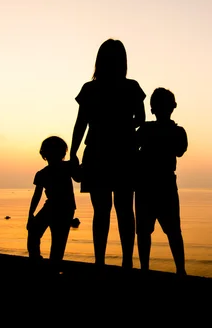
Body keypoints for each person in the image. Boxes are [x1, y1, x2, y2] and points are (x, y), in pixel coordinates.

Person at [70, 39, 146, 268]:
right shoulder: (131, 87)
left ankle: (100, 262)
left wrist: (73, 153)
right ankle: (126, 262)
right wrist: (123, 126)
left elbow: (80, 123)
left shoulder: (90, 89)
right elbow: (141, 119)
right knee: (124, 210)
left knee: (101, 211)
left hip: (97, 152)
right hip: (124, 153)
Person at [135, 87, 188, 275]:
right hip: (162, 184)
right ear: (173, 107)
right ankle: (180, 270)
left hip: (147, 185)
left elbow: (133, 148)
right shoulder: (178, 131)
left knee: (145, 232)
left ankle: (145, 269)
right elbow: (180, 150)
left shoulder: (146, 130)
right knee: (172, 231)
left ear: (152, 109)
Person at [27, 136, 81, 270]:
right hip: (52, 207)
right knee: (36, 232)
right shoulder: (42, 174)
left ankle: (51, 266)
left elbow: (78, 177)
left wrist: (77, 163)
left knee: (57, 241)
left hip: (64, 208)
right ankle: (38, 260)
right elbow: (37, 195)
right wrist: (30, 214)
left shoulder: (67, 166)